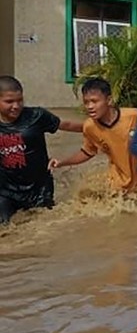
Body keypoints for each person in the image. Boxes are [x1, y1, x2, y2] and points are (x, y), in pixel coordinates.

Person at [49, 77, 137, 192]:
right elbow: (87, 152)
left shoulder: (135, 116)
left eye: (94, 101)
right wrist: (62, 162)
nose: (89, 107)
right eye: (86, 102)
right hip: (118, 186)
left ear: (109, 100)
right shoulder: (90, 127)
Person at [0, 76, 83, 224]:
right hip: (5, 192)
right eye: (9, 102)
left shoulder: (36, 116)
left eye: (20, 100)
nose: (16, 106)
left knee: (44, 230)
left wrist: (99, 128)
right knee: (6, 232)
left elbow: (67, 125)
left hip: (39, 191)